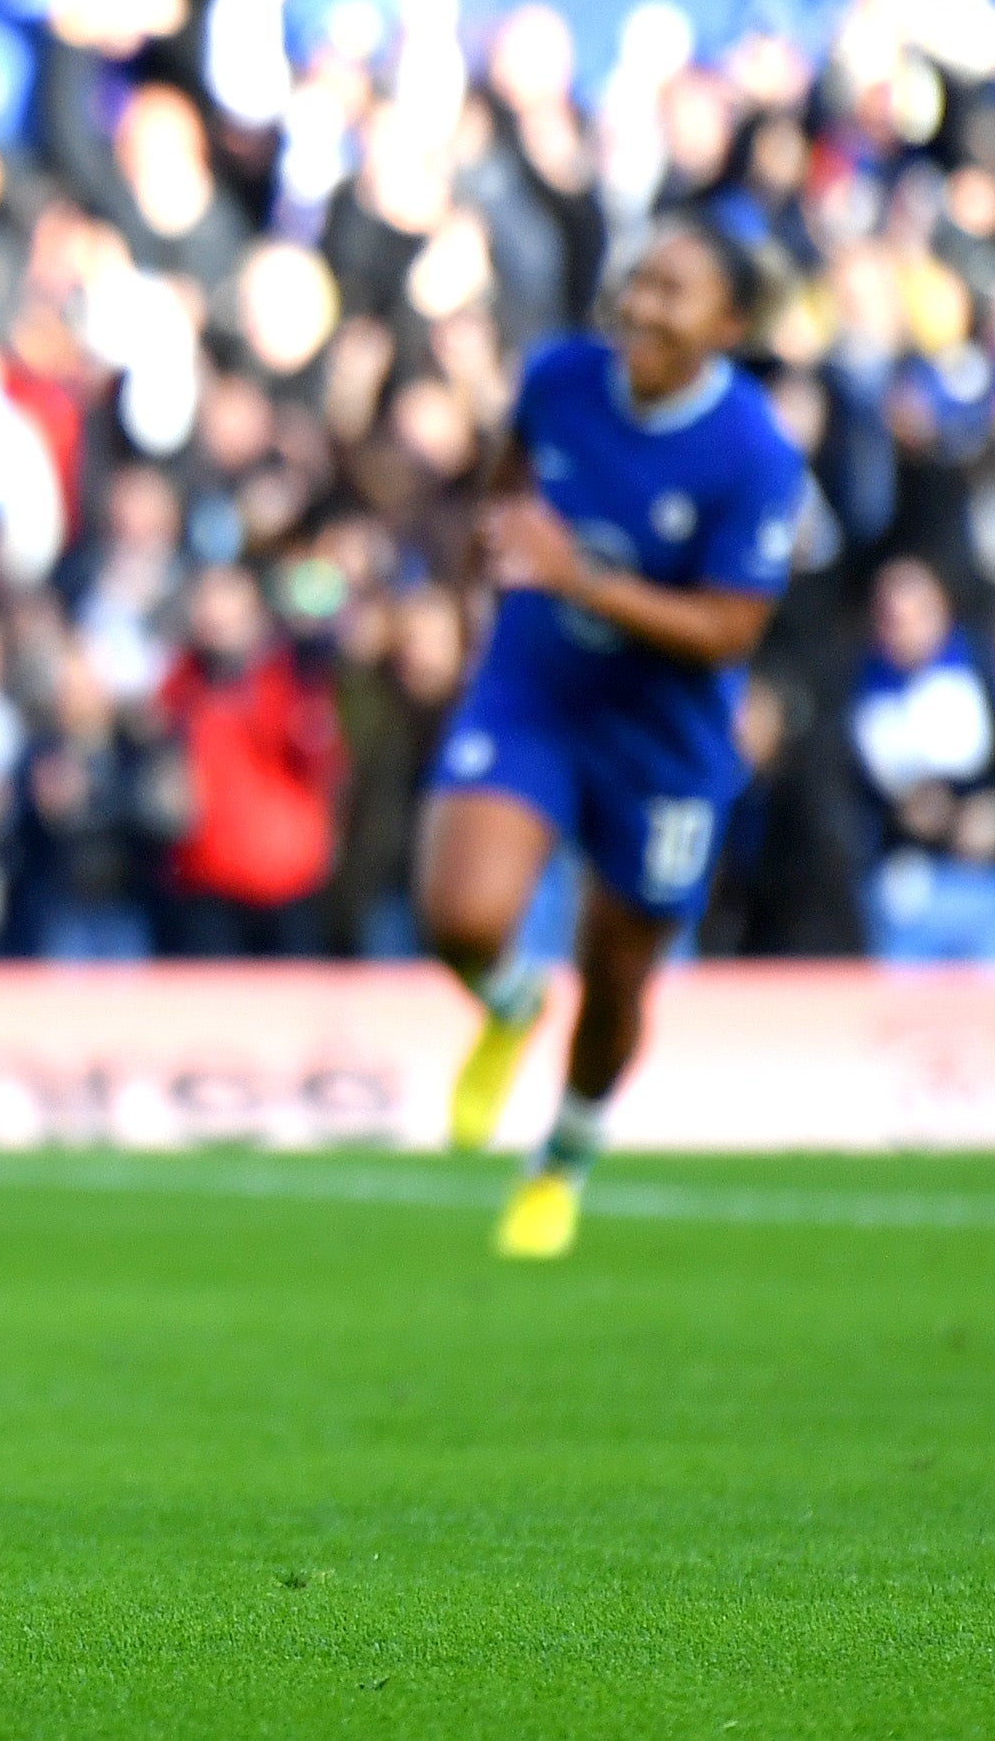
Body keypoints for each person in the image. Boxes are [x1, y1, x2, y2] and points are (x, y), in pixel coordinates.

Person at [418, 215, 803, 1259]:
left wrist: (577, 576)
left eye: (670, 291)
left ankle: (560, 1163)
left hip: (662, 734)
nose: (638, 303)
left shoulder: (755, 456)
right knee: (457, 912)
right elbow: (504, 495)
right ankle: (508, 1003)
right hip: (535, 685)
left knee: (619, 968)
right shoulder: (558, 380)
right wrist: (474, 619)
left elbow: (731, 627)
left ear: (726, 322)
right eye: (634, 280)